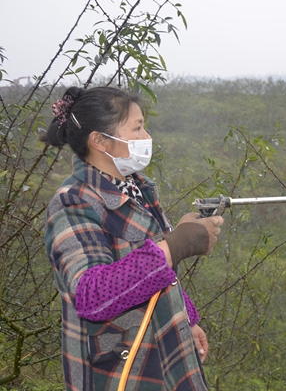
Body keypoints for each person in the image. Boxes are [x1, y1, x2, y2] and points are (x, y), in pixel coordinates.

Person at [42, 86, 223, 390]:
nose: (146, 136)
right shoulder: (74, 202)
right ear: (99, 141)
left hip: (163, 347)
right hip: (122, 367)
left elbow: (152, 268)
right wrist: (175, 245)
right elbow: (91, 294)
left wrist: (186, 319)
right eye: (137, 128)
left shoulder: (136, 187)